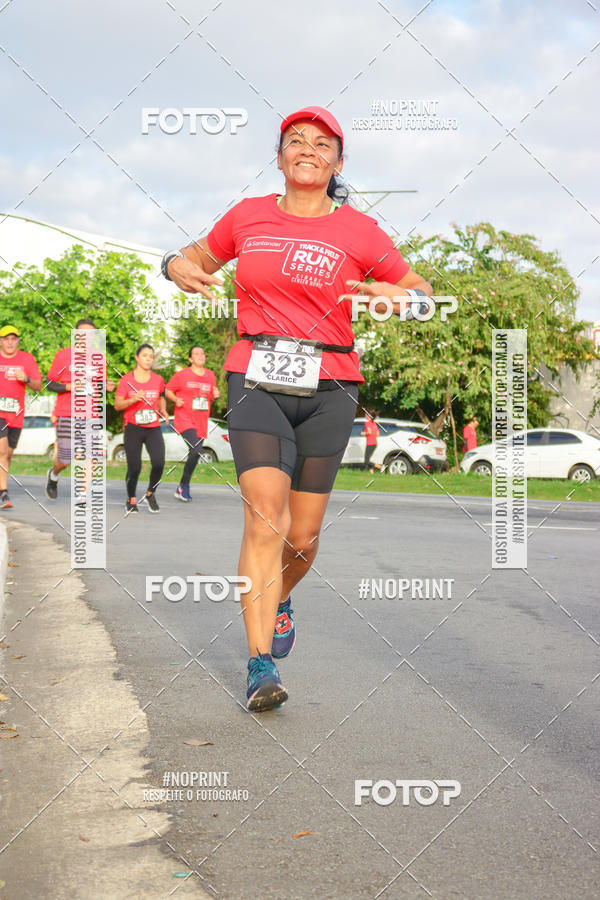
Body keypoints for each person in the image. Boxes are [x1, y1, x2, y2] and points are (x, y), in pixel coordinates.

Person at [162, 105, 432, 711]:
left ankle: (278, 596)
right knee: (265, 519)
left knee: (303, 537)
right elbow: (191, 257)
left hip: (331, 384)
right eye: (294, 141)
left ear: (337, 162)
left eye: (320, 143)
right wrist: (174, 266)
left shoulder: (360, 231)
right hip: (255, 375)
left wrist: (399, 297)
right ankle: (260, 664)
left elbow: (422, 296)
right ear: (280, 156)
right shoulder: (248, 216)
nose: (306, 148)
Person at [114, 344, 166, 514]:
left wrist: (163, 409)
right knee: (134, 467)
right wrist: (133, 399)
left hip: (153, 427)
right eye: (144, 355)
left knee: (159, 462)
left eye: (151, 356)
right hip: (133, 428)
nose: (148, 359)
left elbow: (161, 396)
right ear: (137, 357)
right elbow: (117, 405)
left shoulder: (158, 379)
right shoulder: (126, 380)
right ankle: (131, 499)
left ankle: (150, 493)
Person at [165, 345, 220, 502]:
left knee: (196, 452)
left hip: (201, 420)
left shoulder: (210, 375)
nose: (200, 355)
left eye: (202, 353)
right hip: (184, 418)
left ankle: (182, 485)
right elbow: (167, 390)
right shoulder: (182, 375)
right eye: (196, 353)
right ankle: (185, 486)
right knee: (195, 449)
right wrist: (176, 399)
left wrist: (216, 395)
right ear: (190, 359)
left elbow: (211, 395)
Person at [0, 325, 42, 509]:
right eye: (6, 339)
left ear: (18, 341)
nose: (10, 342)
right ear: (0, 341)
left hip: (16, 414)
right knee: (1, 451)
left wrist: (26, 379)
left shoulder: (26, 359)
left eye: (13, 339)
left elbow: (39, 385)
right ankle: (3, 493)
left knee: (7, 454)